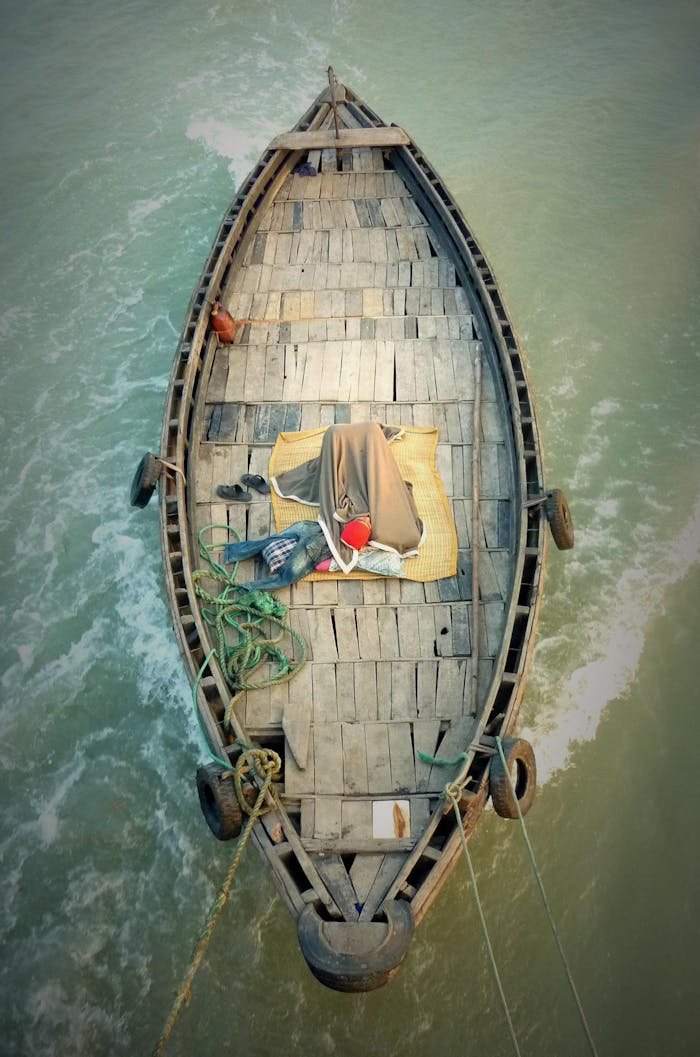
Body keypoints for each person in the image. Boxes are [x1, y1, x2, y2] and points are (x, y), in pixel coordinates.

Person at [223, 520, 331, 592]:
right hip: (324, 541)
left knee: (270, 541)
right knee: (289, 574)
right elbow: (320, 566)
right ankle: (248, 589)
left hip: (317, 527)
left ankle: (231, 552)